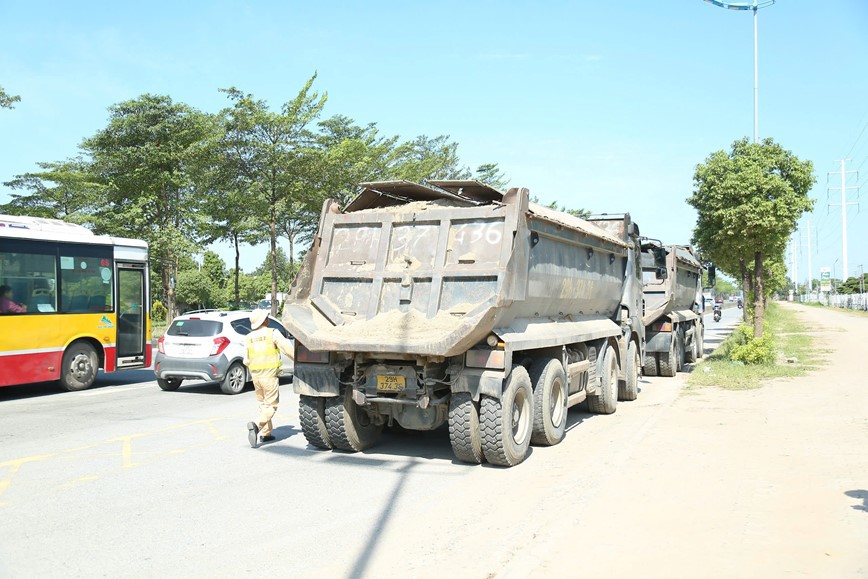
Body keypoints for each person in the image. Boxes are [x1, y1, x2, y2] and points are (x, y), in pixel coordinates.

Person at [243, 308, 294, 448]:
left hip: (255, 375)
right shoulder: (272, 333)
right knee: (271, 405)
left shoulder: (248, 337)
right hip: (269, 375)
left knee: (263, 404)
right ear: (264, 320)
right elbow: (287, 349)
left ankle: (266, 434)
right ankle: (256, 424)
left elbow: (246, 360)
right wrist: (300, 360)